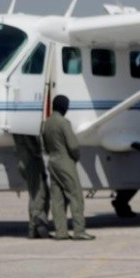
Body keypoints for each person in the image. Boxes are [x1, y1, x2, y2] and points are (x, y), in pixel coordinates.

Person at [42, 95, 95, 240]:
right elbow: (73, 145)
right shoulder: (63, 122)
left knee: (57, 198)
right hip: (65, 161)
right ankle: (79, 231)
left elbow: (45, 145)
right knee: (75, 195)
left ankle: (61, 232)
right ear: (63, 106)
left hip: (52, 161)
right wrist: (75, 157)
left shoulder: (47, 123)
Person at [12, 133, 51, 239]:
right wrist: (38, 151)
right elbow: (32, 145)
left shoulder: (17, 129)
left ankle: (34, 228)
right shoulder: (25, 130)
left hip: (25, 161)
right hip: (32, 162)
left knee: (36, 193)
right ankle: (37, 222)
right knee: (39, 193)